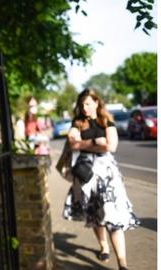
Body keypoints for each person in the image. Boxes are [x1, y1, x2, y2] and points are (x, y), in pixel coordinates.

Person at [63, 88, 139, 270]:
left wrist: (85, 144)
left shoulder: (106, 121)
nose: (84, 107)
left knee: (112, 215)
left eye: (88, 103)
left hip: (107, 174)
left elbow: (111, 146)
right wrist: (96, 143)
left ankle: (122, 263)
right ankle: (104, 246)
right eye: (82, 104)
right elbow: (72, 144)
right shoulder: (78, 121)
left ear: (97, 103)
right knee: (95, 213)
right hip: (86, 173)